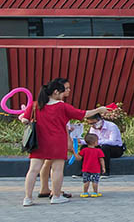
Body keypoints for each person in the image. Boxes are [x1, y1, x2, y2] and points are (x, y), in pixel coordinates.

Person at [21, 77, 111, 206]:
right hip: (57, 142)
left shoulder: (35, 105)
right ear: (56, 92)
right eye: (64, 91)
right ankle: (56, 196)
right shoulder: (62, 107)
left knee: (33, 170)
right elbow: (84, 113)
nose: (65, 94)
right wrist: (99, 110)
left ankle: (27, 198)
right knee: (57, 170)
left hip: (38, 142)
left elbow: (24, 120)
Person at [78, 133, 106, 198]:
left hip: (86, 169)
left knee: (86, 181)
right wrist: (103, 167)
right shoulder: (99, 151)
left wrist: (74, 152)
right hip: (96, 169)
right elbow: (101, 160)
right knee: (95, 181)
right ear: (95, 142)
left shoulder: (84, 150)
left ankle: (85, 192)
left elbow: (79, 157)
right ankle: (95, 192)